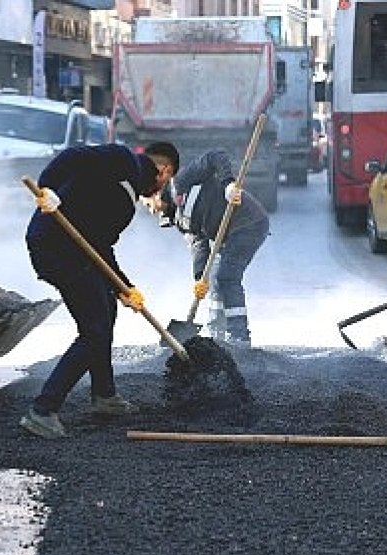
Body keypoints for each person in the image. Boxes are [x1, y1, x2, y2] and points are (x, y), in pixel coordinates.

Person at [19, 141, 180, 439]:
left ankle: (104, 395)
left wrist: (124, 287)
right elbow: (73, 155)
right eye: (166, 182)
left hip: (71, 252)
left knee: (107, 306)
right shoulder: (124, 161)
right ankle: (42, 411)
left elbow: (100, 247)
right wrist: (50, 189)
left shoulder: (125, 203)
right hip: (55, 246)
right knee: (94, 329)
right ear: (164, 170)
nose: (160, 190)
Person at [163, 149, 269, 345]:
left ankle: (239, 336)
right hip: (228, 234)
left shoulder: (184, 178)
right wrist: (199, 277)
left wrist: (228, 185)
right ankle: (216, 332)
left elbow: (216, 156)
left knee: (226, 277)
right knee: (213, 280)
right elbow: (198, 243)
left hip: (249, 223)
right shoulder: (180, 220)